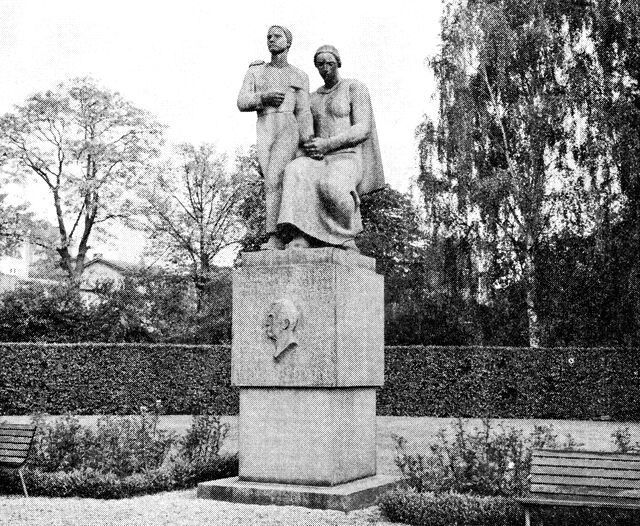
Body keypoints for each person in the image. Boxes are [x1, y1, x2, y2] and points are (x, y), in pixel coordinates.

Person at [277, 45, 384, 251]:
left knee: (332, 184)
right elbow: (298, 126)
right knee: (294, 170)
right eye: (320, 65)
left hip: (346, 155)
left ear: (338, 63)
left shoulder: (354, 88)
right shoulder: (312, 97)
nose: (325, 68)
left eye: (329, 63)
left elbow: (363, 128)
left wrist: (327, 144)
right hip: (318, 158)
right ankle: (301, 234)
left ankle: (345, 236)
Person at [237, 25, 313, 250]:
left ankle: (279, 235)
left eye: (277, 36)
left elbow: (304, 111)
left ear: (288, 42)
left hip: (288, 126)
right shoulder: (256, 72)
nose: (271, 39)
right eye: (268, 36)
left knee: (277, 177)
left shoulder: (299, 75)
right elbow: (242, 102)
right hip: (265, 126)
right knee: (270, 183)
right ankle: (277, 235)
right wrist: (264, 97)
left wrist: (307, 142)